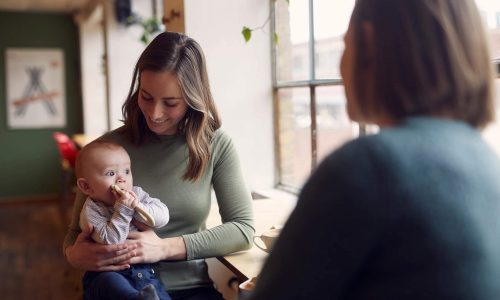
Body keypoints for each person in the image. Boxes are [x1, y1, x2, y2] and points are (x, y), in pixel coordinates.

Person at [247, 0, 500, 299]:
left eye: (345, 44)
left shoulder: (367, 167)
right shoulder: (485, 160)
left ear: (368, 45)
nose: (340, 67)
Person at [63, 31, 255, 300]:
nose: (154, 113)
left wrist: (165, 248)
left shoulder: (216, 145)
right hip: (120, 286)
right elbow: (73, 236)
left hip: (192, 289)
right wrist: (75, 255)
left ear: (192, 98)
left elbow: (243, 229)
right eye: (146, 96)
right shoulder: (104, 153)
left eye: (170, 103)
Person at [75, 140, 171, 300]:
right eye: (111, 173)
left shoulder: (137, 194)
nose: (122, 179)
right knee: (111, 284)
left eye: (126, 171)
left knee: (158, 294)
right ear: (87, 187)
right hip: (107, 273)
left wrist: (137, 207)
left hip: (144, 273)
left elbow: (163, 217)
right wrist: (124, 210)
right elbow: (111, 240)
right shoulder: (91, 210)